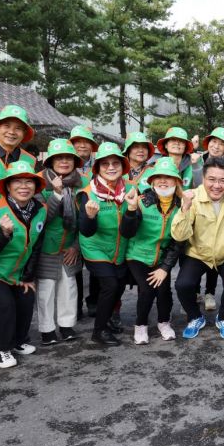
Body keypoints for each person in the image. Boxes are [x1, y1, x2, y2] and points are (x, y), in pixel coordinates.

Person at [0, 162, 47, 368]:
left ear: (35, 187)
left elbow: (36, 246)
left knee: (26, 297)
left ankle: (18, 341)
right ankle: (2, 348)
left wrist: (28, 276)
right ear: (8, 186)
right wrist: (4, 234)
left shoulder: (40, 209)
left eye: (29, 182)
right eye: (17, 181)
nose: (24, 186)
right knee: (3, 305)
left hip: (17, 272)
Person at [171, 156, 224, 340]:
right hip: (198, 253)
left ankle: (223, 318)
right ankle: (195, 317)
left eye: (223, 180)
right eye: (211, 179)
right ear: (203, 179)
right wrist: (185, 209)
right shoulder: (193, 196)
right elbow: (179, 236)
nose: (216, 185)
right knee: (183, 284)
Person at [120, 157, 185, 344]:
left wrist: (164, 268)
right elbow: (126, 232)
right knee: (148, 289)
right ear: (152, 181)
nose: (163, 181)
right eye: (158, 177)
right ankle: (140, 326)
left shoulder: (181, 206)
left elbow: (177, 242)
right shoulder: (141, 201)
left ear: (177, 181)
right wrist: (131, 210)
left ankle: (164, 322)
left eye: (168, 177)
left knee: (164, 290)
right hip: (137, 255)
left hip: (162, 257)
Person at [77, 142, 135, 347]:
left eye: (115, 163)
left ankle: (108, 318)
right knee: (110, 285)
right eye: (105, 164)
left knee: (119, 285)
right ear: (98, 168)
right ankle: (98, 332)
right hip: (95, 246)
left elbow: (131, 229)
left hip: (121, 246)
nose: (111, 167)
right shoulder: (88, 192)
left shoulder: (131, 189)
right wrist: (90, 217)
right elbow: (85, 230)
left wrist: (132, 210)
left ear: (122, 166)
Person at [35, 139, 83, 345]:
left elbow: (87, 219)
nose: (64, 161)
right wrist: (55, 193)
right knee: (46, 290)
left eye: (69, 158)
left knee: (69, 287)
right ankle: (47, 330)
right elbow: (40, 219)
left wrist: (77, 247)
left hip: (70, 245)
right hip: (45, 246)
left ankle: (66, 326)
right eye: (59, 158)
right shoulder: (38, 182)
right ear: (51, 161)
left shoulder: (82, 182)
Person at [191, 127, 224, 312]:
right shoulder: (195, 160)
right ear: (207, 143)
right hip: (196, 213)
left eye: (221, 143)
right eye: (213, 142)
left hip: (220, 215)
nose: (216, 146)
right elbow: (194, 185)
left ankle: (209, 292)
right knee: (192, 256)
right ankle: (194, 293)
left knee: (216, 256)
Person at [69, 124, 99, 318]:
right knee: (75, 266)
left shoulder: (99, 166)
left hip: (94, 218)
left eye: (86, 142)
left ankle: (93, 301)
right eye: (77, 142)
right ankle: (76, 304)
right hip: (69, 220)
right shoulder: (65, 164)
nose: (82, 146)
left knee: (96, 265)